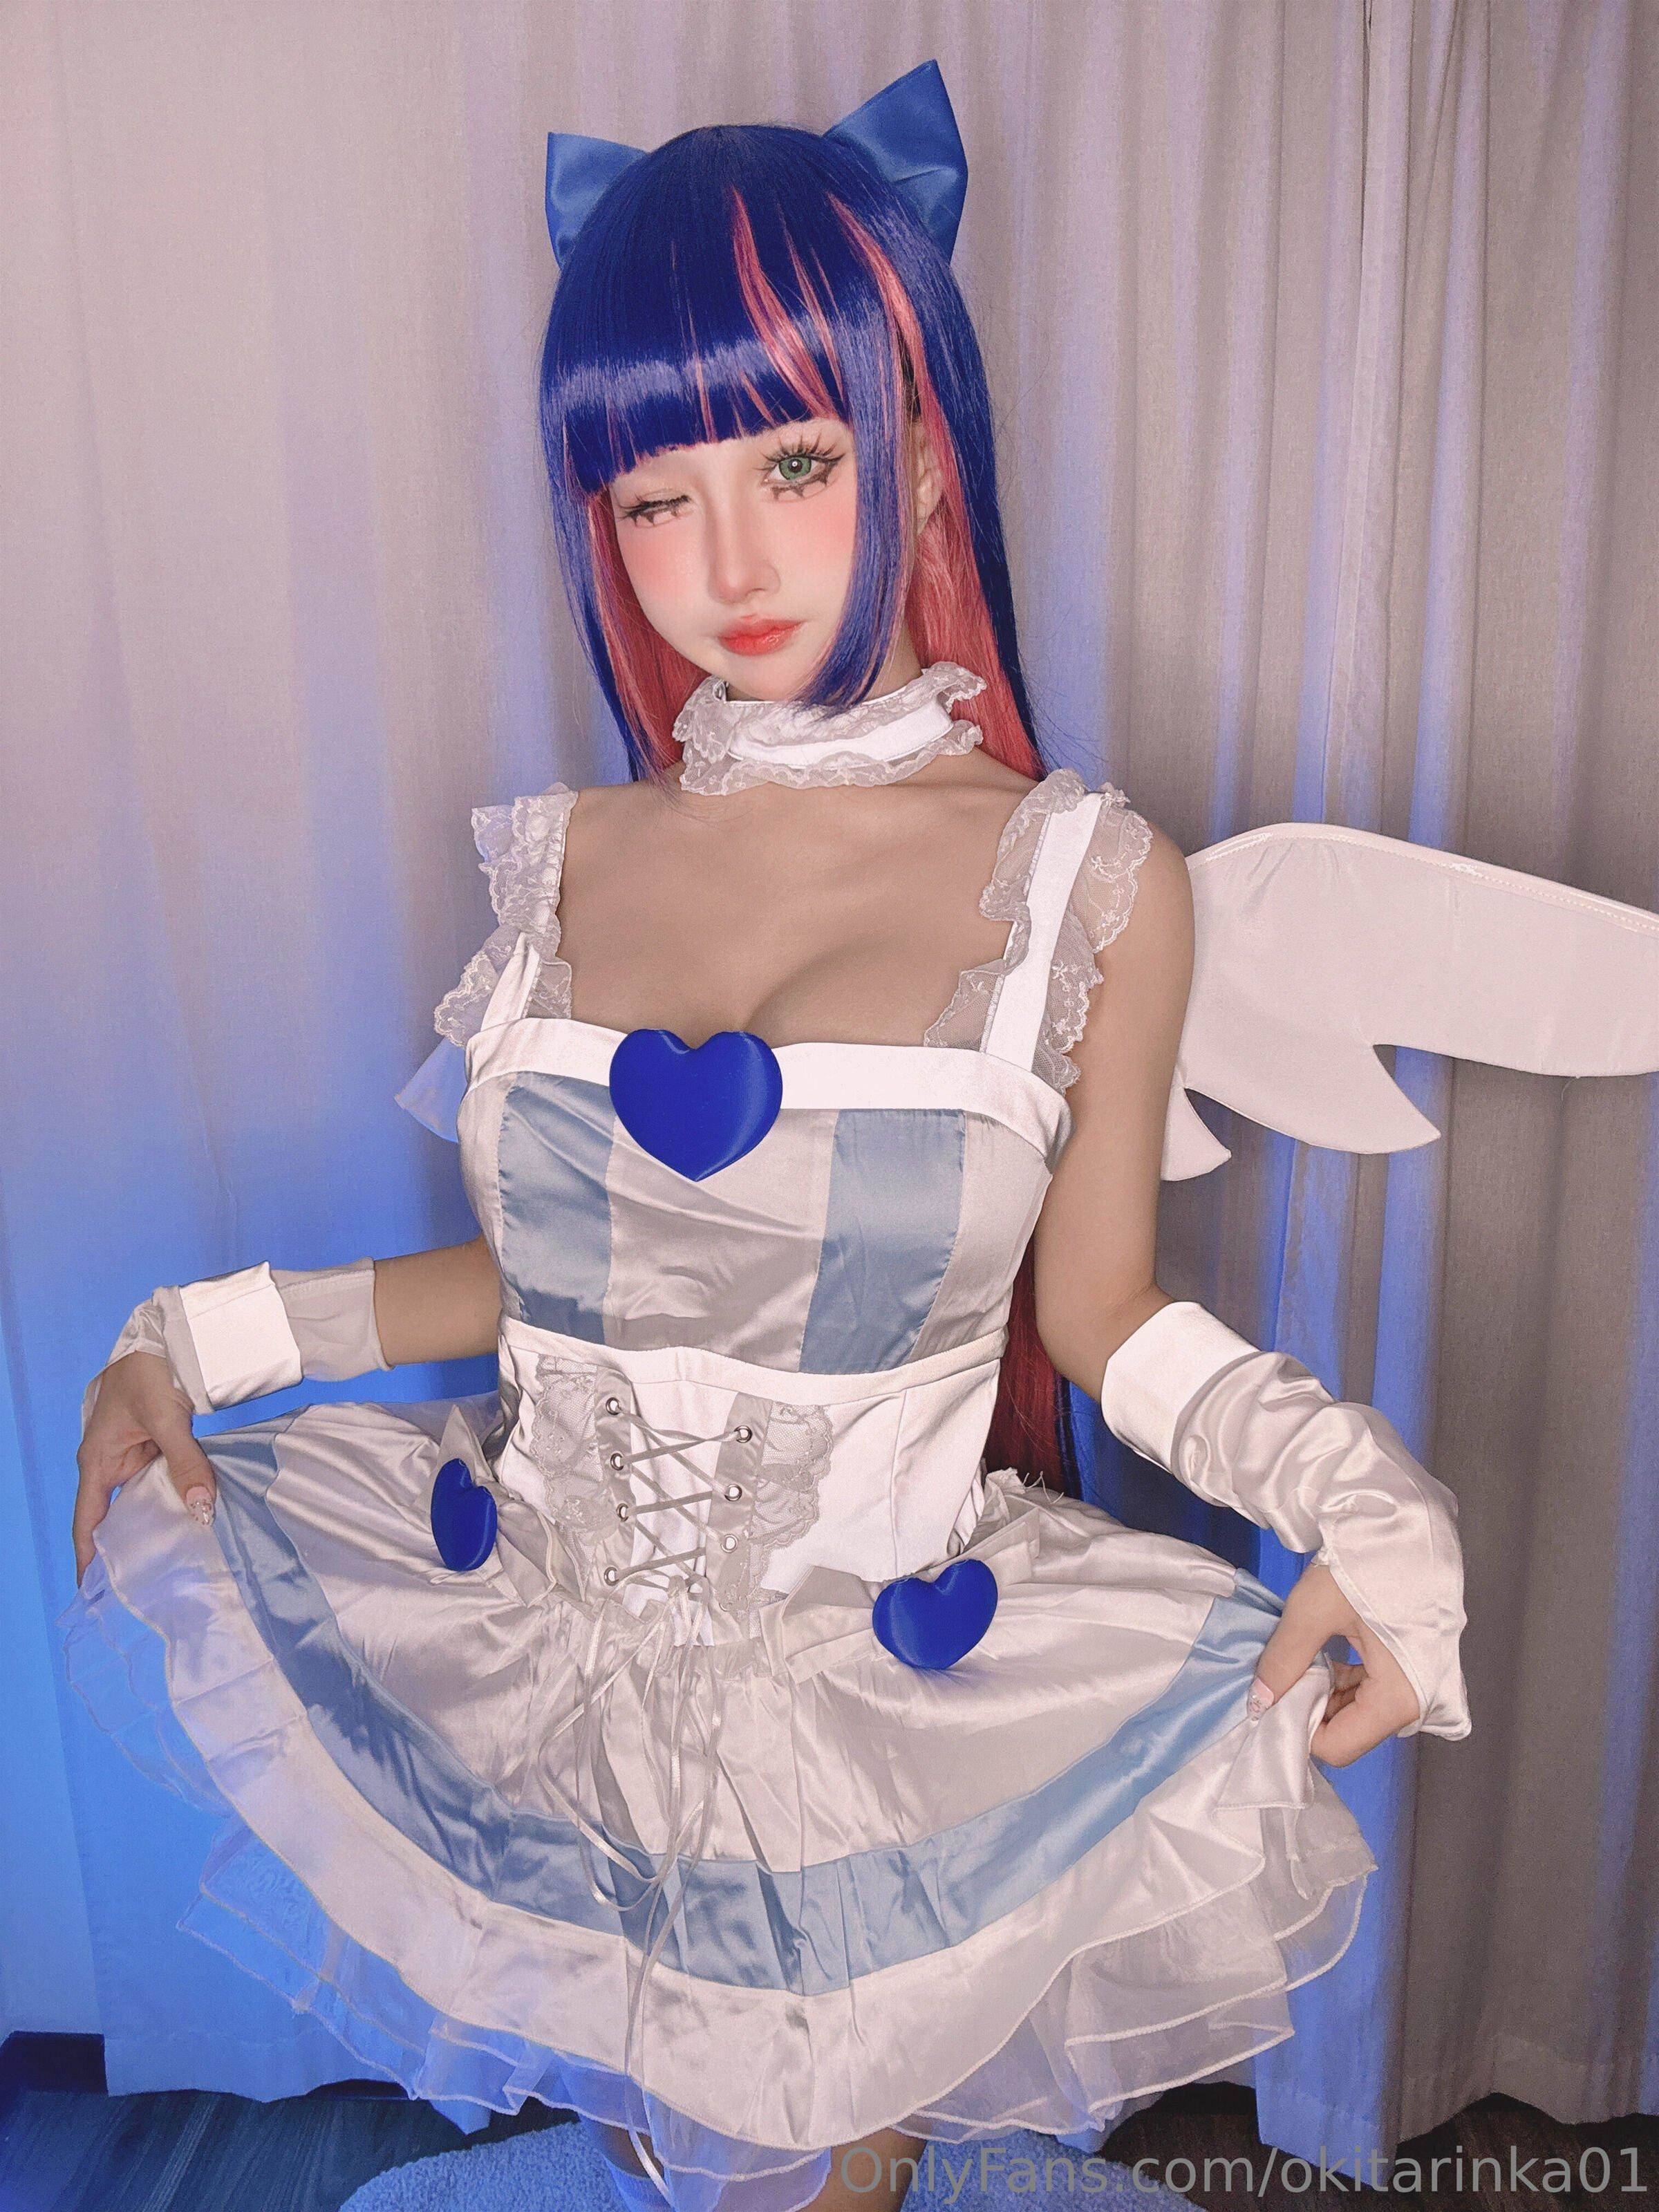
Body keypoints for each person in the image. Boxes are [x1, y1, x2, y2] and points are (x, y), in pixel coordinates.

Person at [62, 65, 1467, 2212]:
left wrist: (1350, 1490)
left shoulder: (1085, 879)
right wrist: (202, 1336)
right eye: (655, 493)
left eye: (795, 461)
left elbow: (1097, 1319)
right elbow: (550, 1283)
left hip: (866, 1726)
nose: (723, 562)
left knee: (813, 2168)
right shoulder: (561, 856)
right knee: (662, 2153)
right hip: (532, 1661)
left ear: (921, 451)